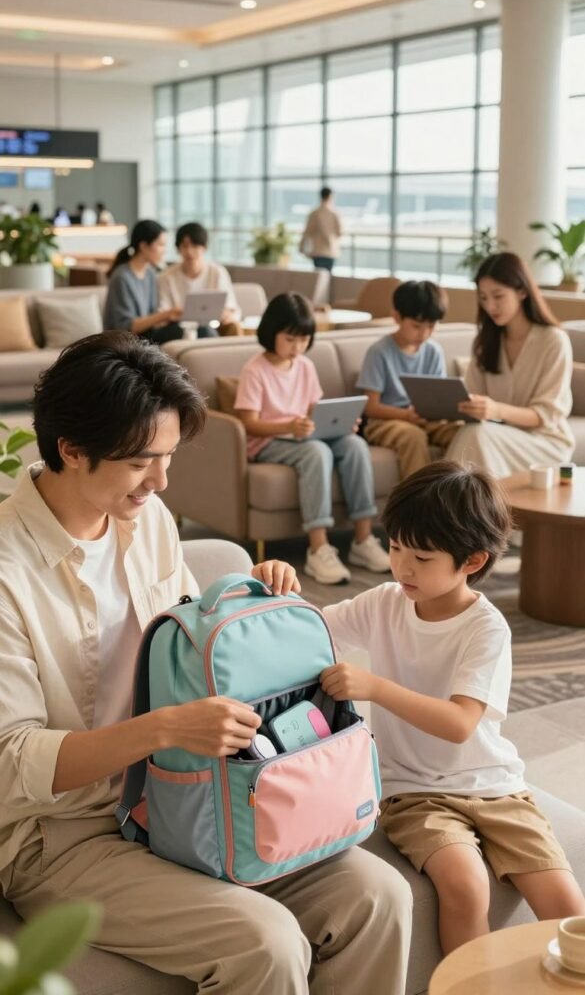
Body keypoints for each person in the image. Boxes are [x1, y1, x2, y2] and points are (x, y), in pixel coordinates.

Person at [0, 331, 412, 995]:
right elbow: (10, 760)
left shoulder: (149, 520)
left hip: (189, 799)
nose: (162, 482)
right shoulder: (6, 572)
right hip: (64, 834)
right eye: (141, 463)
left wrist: (251, 601)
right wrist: (163, 730)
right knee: (265, 945)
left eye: (166, 458)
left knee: (379, 898)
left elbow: (187, 646)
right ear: (71, 450)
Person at [320, 461, 585, 955]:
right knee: (465, 886)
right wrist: (274, 584)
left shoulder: (486, 629)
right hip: (413, 792)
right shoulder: (383, 602)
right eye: (396, 546)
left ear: (471, 561)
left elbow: (461, 723)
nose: (402, 567)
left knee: (568, 907)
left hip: (495, 785)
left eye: (420, 556)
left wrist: (374, 686)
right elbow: (307, 626)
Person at [234, 292, 390, 584]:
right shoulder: (255, 370)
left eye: (304, 340)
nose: (298, 347)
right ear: (271, 332)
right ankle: (318, 548)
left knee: (355, 445)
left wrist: (340, 423)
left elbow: (314, 409)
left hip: (304, 434)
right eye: (291, 339)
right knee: (316, 452)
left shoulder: (305, 366)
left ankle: (363, 540)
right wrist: (289, 428)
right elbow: (249, 423)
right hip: (269, 442)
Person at [445, 252, 574, 476]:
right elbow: (473, 397)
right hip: (496, 435)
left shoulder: (553, 341)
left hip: (545, 442)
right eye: (483, 298)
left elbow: (544, 415)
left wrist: (496, 410)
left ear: (522, 292)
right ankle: (465, 508)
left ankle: (447, 507)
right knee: (474, 433)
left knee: (477, 436)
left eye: (498, 296)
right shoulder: (485, 342)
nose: (490, 306)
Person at [358, 280, 462, 480]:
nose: (424, 334)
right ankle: (418, 505)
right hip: (385, 422)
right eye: (416, 326)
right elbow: (370, 407)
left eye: (431, 326)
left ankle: (460, 495)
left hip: (425, 418)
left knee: (462, 432)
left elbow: (437, 396)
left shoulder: (433, 351)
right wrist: (406, 416)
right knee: (412, 436)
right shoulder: (379, 352)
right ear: (396, 316)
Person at [104, 220, 186, 345]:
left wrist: (170, 317)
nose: (163, 251)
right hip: (125, 342)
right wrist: (166, 315)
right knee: (188, 332)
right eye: (160, 245)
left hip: (145, 336)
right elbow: (127, 326)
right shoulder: (122, 277)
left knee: (194, 329)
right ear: (143, 246)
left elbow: (152, 317)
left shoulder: (150, 273)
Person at [158, 221, 242, 335]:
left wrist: (227, 315)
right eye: (185, 246)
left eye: (195, 246)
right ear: (178, 248)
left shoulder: (217, 272)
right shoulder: (166, 276)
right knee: (205, 331)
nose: (189, 251)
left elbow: (232, 308)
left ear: (204, 247)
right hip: (178, 328)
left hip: (215, 325)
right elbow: (163, 313)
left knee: (230, 327)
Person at [299, 187, 343, 273]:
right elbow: (340, 232)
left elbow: (307, 232)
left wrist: (301, 247)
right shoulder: (335, 214)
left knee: (319, 277)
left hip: (317, 251)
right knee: (328, 277)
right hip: (331, 251)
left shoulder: (314, 213)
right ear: (331, 197)